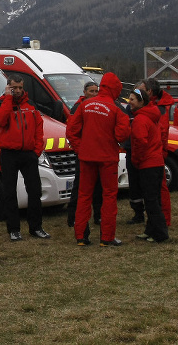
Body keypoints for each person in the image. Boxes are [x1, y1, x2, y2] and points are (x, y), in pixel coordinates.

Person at [66, 72, 131, 247]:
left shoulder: (84, 105)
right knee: (109, 196)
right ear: (116, 89)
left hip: (86, 158)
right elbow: (122, 134)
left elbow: (71, 131)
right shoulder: (117, 108)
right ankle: (107, 237)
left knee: (84, 195)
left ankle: (81, 236)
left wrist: (81, 149)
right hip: (107, 158)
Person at [0, 75, 50, 241]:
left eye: (20, 88)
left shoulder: (31, 105)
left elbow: (39, 129)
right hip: (9, 154)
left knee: (34, 191)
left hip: (29, 153)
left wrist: (36, 150)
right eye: (14, 88)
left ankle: (36, 227)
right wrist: (8, 99)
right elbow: (1, 120)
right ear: (8, 87)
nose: (17, 91)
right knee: (9, 192)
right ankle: (14, 229)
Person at [127, 88, 169, 243]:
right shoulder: (151, 117)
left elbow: (140, 143)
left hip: (147, 164)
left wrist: (136, 160)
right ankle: (150, 230)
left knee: (151, 201)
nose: (129, 102)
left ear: (141, 102)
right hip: (156, 162)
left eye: (132, 99)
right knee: (154, 199)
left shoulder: (140, 120)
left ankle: (160, 233)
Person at [66, 81, 102, 231]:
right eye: (91, 91)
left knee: (99, 187)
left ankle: (98, 215)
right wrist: (80, 149)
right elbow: (71, 131)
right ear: (85, 92)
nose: (94, 94)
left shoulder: (99, 107)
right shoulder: (77, 108)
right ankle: (72, 217)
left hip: (97, 153)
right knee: (79, 186)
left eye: (96, 91)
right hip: (83, 154)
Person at [137, 79, 172, 227]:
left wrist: (162, 152)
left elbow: (162, 132)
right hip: (155, 152)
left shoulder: (159, 108)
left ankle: (163, 220)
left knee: (159, 189)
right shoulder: (153, 107)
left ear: (149, 92)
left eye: (141, 90)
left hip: (155, 154)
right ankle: (157, 219)